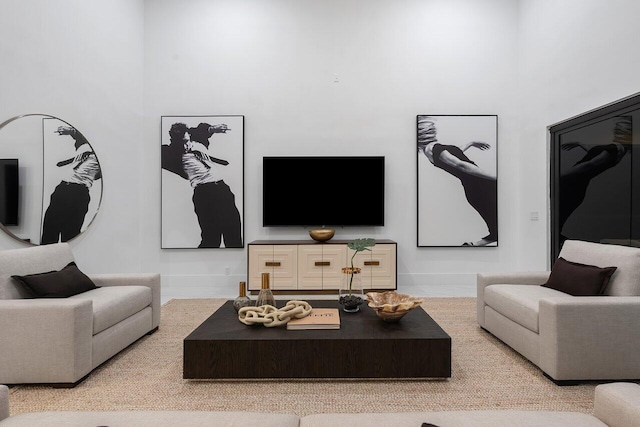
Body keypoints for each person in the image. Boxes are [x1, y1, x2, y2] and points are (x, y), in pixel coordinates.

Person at [417, 116, 498, 246]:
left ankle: (475, 244)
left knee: (497, 225)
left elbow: (453, 156)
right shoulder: (435, 148)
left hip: (475, 190)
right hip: (481, 187)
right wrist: (497, 177)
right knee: (502, 223)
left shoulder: (430, 151)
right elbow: (462, 165)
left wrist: (470, 143)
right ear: (426, 131)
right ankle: (477, 244)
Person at [162, 122, 243, 248]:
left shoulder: (198, 142)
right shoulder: (174, 153)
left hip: (222, 190)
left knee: (234, 236)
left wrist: (212, 129)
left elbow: (200, 130)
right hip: (204, 194)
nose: (187, 143)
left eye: (188, 136)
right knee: (211, 239)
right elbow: (156, 151)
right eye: (183, 141)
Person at [558, 116, 632, 243]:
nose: (618, 132)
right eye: (617, 129)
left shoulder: (614, 149)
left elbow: (590, 164)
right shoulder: (618, 149)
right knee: (558, 220)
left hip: (572, 186)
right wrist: (580, 144)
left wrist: (559, 177)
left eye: (622, 131)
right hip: (574, 186)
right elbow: (595, 153)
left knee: (557, 220)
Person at [41, 126, 102, 244]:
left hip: (79, 193)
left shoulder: (101, 160)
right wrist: (71, 131)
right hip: (62, 190)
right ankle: (45, 259)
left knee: (70, 237)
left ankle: (66, 261)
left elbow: (99, 176)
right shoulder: (86, 151)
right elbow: (81, 138)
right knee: (49, 232)